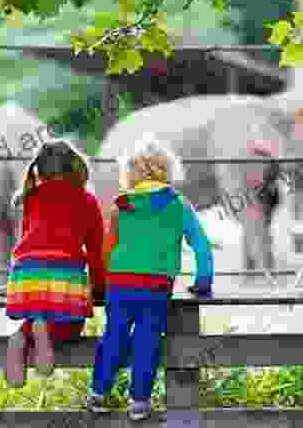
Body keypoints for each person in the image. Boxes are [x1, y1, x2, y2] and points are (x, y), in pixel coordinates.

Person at [87, 135, 214, 420]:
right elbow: (201, 245)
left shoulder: (121, 205)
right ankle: (139, 402)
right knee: (148, 340)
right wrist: (203, 281)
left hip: (120, 285)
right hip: (156, 287)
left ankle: (98, 393)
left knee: (114, 336)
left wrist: (99, 284)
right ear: (166, 169)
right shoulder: (179, 204)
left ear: (129, 172)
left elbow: (107, 249)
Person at [4, 139, 106, 388]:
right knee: (72, 323)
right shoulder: (88, 200)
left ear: (39, 169)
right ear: (74, 167)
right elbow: (96, 253)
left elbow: (28, 246)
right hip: (63, 276)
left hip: (26, 278)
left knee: (42, 310)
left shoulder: (30, 198)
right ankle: (41, 331)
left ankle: (24, 334)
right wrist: (100, 288)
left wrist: (13, 284)